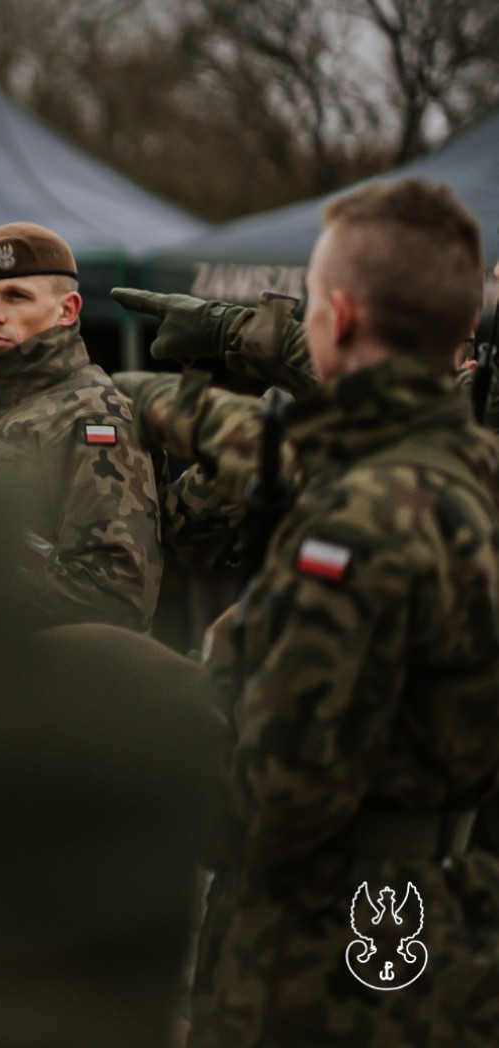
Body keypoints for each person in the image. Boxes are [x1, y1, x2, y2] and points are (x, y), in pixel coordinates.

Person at [124, 179, 499, 1045]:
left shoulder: (367, 517)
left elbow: (272, 800)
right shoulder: (455, 474)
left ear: (339, 314)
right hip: (430, 909)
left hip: (327, 946)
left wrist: (151, 722)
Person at [0, 222, 163, 982]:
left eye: (15, 296)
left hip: (63, 738)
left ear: (66, 309)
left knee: (54, 984)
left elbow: (117, 593)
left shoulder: (94, 416)